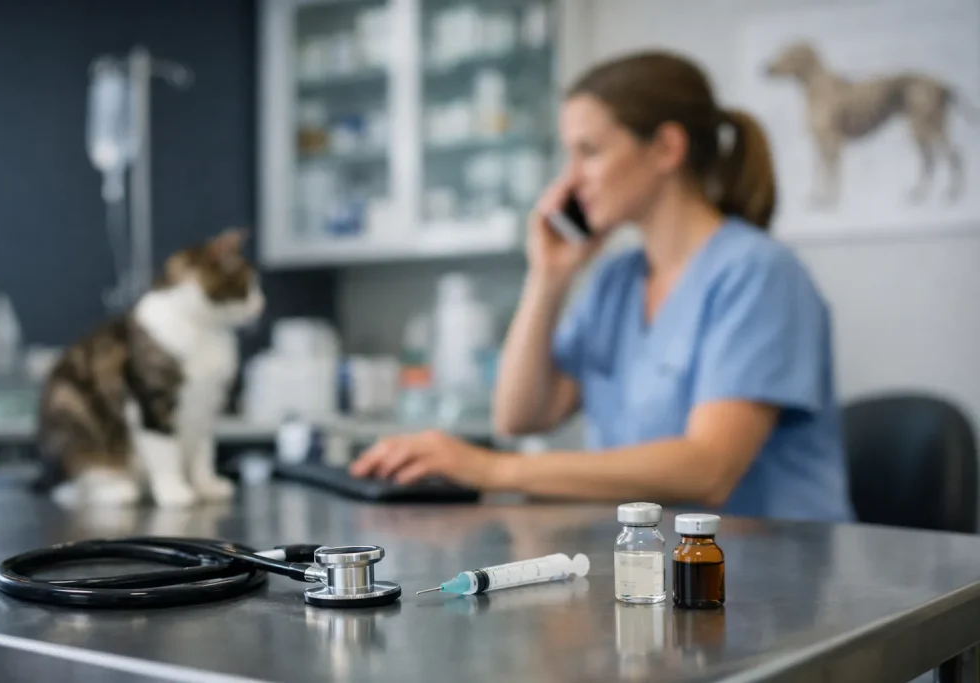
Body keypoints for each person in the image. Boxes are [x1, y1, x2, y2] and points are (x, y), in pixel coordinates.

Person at [350, 50, 855, 522]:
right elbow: (520, 415)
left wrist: (492, 469)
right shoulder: (617, 280)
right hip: (655, 572)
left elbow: (709, 470)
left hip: (771, 579)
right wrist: (548, 277)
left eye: (588, 152)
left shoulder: (758, 272)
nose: (570, 181)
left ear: (666, 148)